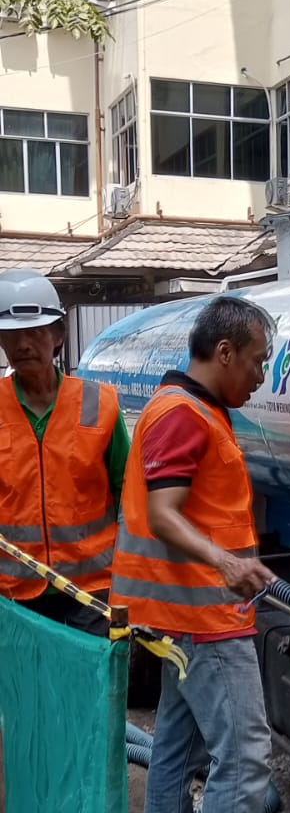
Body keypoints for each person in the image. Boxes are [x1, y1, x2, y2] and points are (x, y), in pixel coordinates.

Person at [110, 295, 285, 813]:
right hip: (204, 617)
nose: (262, 377)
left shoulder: (185, 407)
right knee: (242, 754)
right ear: (224, 353)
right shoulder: (184, 415)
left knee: (175, 753)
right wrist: (227, 564)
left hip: (172, 615)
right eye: (258, 363)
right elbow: (164, 511)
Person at [0, 268, 129, 634]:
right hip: (14, 595)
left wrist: (131, 576)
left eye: (36, 332)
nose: (24, 344)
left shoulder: (100, 403)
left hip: (91, 594)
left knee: (89, 690)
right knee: (26, 691)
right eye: (12, 334)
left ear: (58, 336)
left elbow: (128, 491)